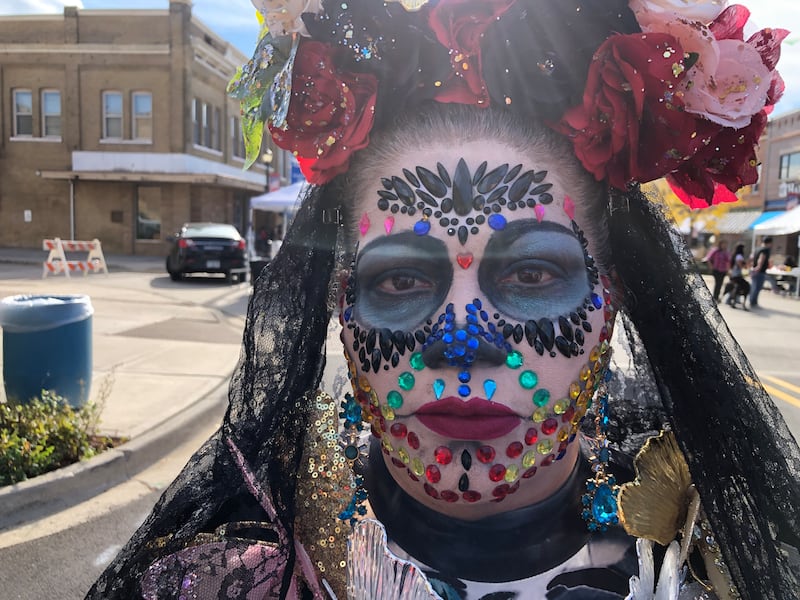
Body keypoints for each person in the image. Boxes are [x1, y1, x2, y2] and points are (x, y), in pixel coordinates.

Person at [87, 2, 800, 599]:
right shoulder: (234, 574)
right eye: (400, 281)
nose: (461, 337)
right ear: (343, 306)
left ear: (608, 302)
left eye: (530, 276)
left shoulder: (709, 558)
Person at [749, 236, 773, 307]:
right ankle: (753, 302)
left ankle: (752, 301)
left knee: (754, 286)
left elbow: (752, 258)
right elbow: (761, 258)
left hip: (754, 269)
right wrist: (758, 267)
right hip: (760, 271)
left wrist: (752, 267)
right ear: (769, 243)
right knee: (757, 287)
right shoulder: (765, 250)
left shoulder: (757, 248)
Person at [725, 243, 751, 309]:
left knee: (736, 287)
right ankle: (734, 300)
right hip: (737, 275)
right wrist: (745, 265)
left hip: (733, 274)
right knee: (746, 286)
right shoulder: (739, 256)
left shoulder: (734, 255)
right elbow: (740, 265)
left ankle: (732, 300)